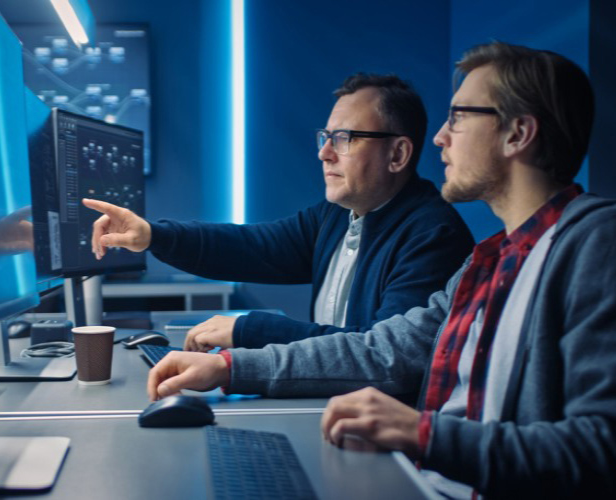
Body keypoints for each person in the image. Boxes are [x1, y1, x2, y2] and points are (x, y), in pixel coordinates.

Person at [145, 41, 616, 497]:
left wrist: (423, 434)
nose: (440, 137)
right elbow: (383, 349)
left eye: (458, 117)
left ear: (517, 134)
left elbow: (599, 450)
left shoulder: (594, 242)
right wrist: (230, 367)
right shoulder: (488, 260)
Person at [84, 74, 473, 353]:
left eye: (345, 139)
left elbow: (377, 354)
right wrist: (152, 235)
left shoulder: (432, 235)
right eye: (326, 137)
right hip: (333, 403)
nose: (325, 153)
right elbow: (251, 247)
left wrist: (250, 330)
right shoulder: (337, 216)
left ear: (398, 154)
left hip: (381, 431)